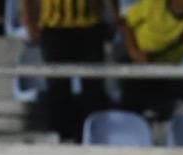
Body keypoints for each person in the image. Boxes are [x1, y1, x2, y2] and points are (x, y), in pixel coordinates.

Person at [19, 0, 126, 142]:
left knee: (93, 88)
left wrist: (114, 13)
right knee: (58, 88)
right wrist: (28, 22)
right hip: (54, 28)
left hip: (90, 27)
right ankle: (63, 138)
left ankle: (94, 136)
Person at [122, 0, 183, 121]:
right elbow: (125, 23)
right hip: (138, 66)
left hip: (168, 71)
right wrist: (133, 51)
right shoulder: (154, 4)